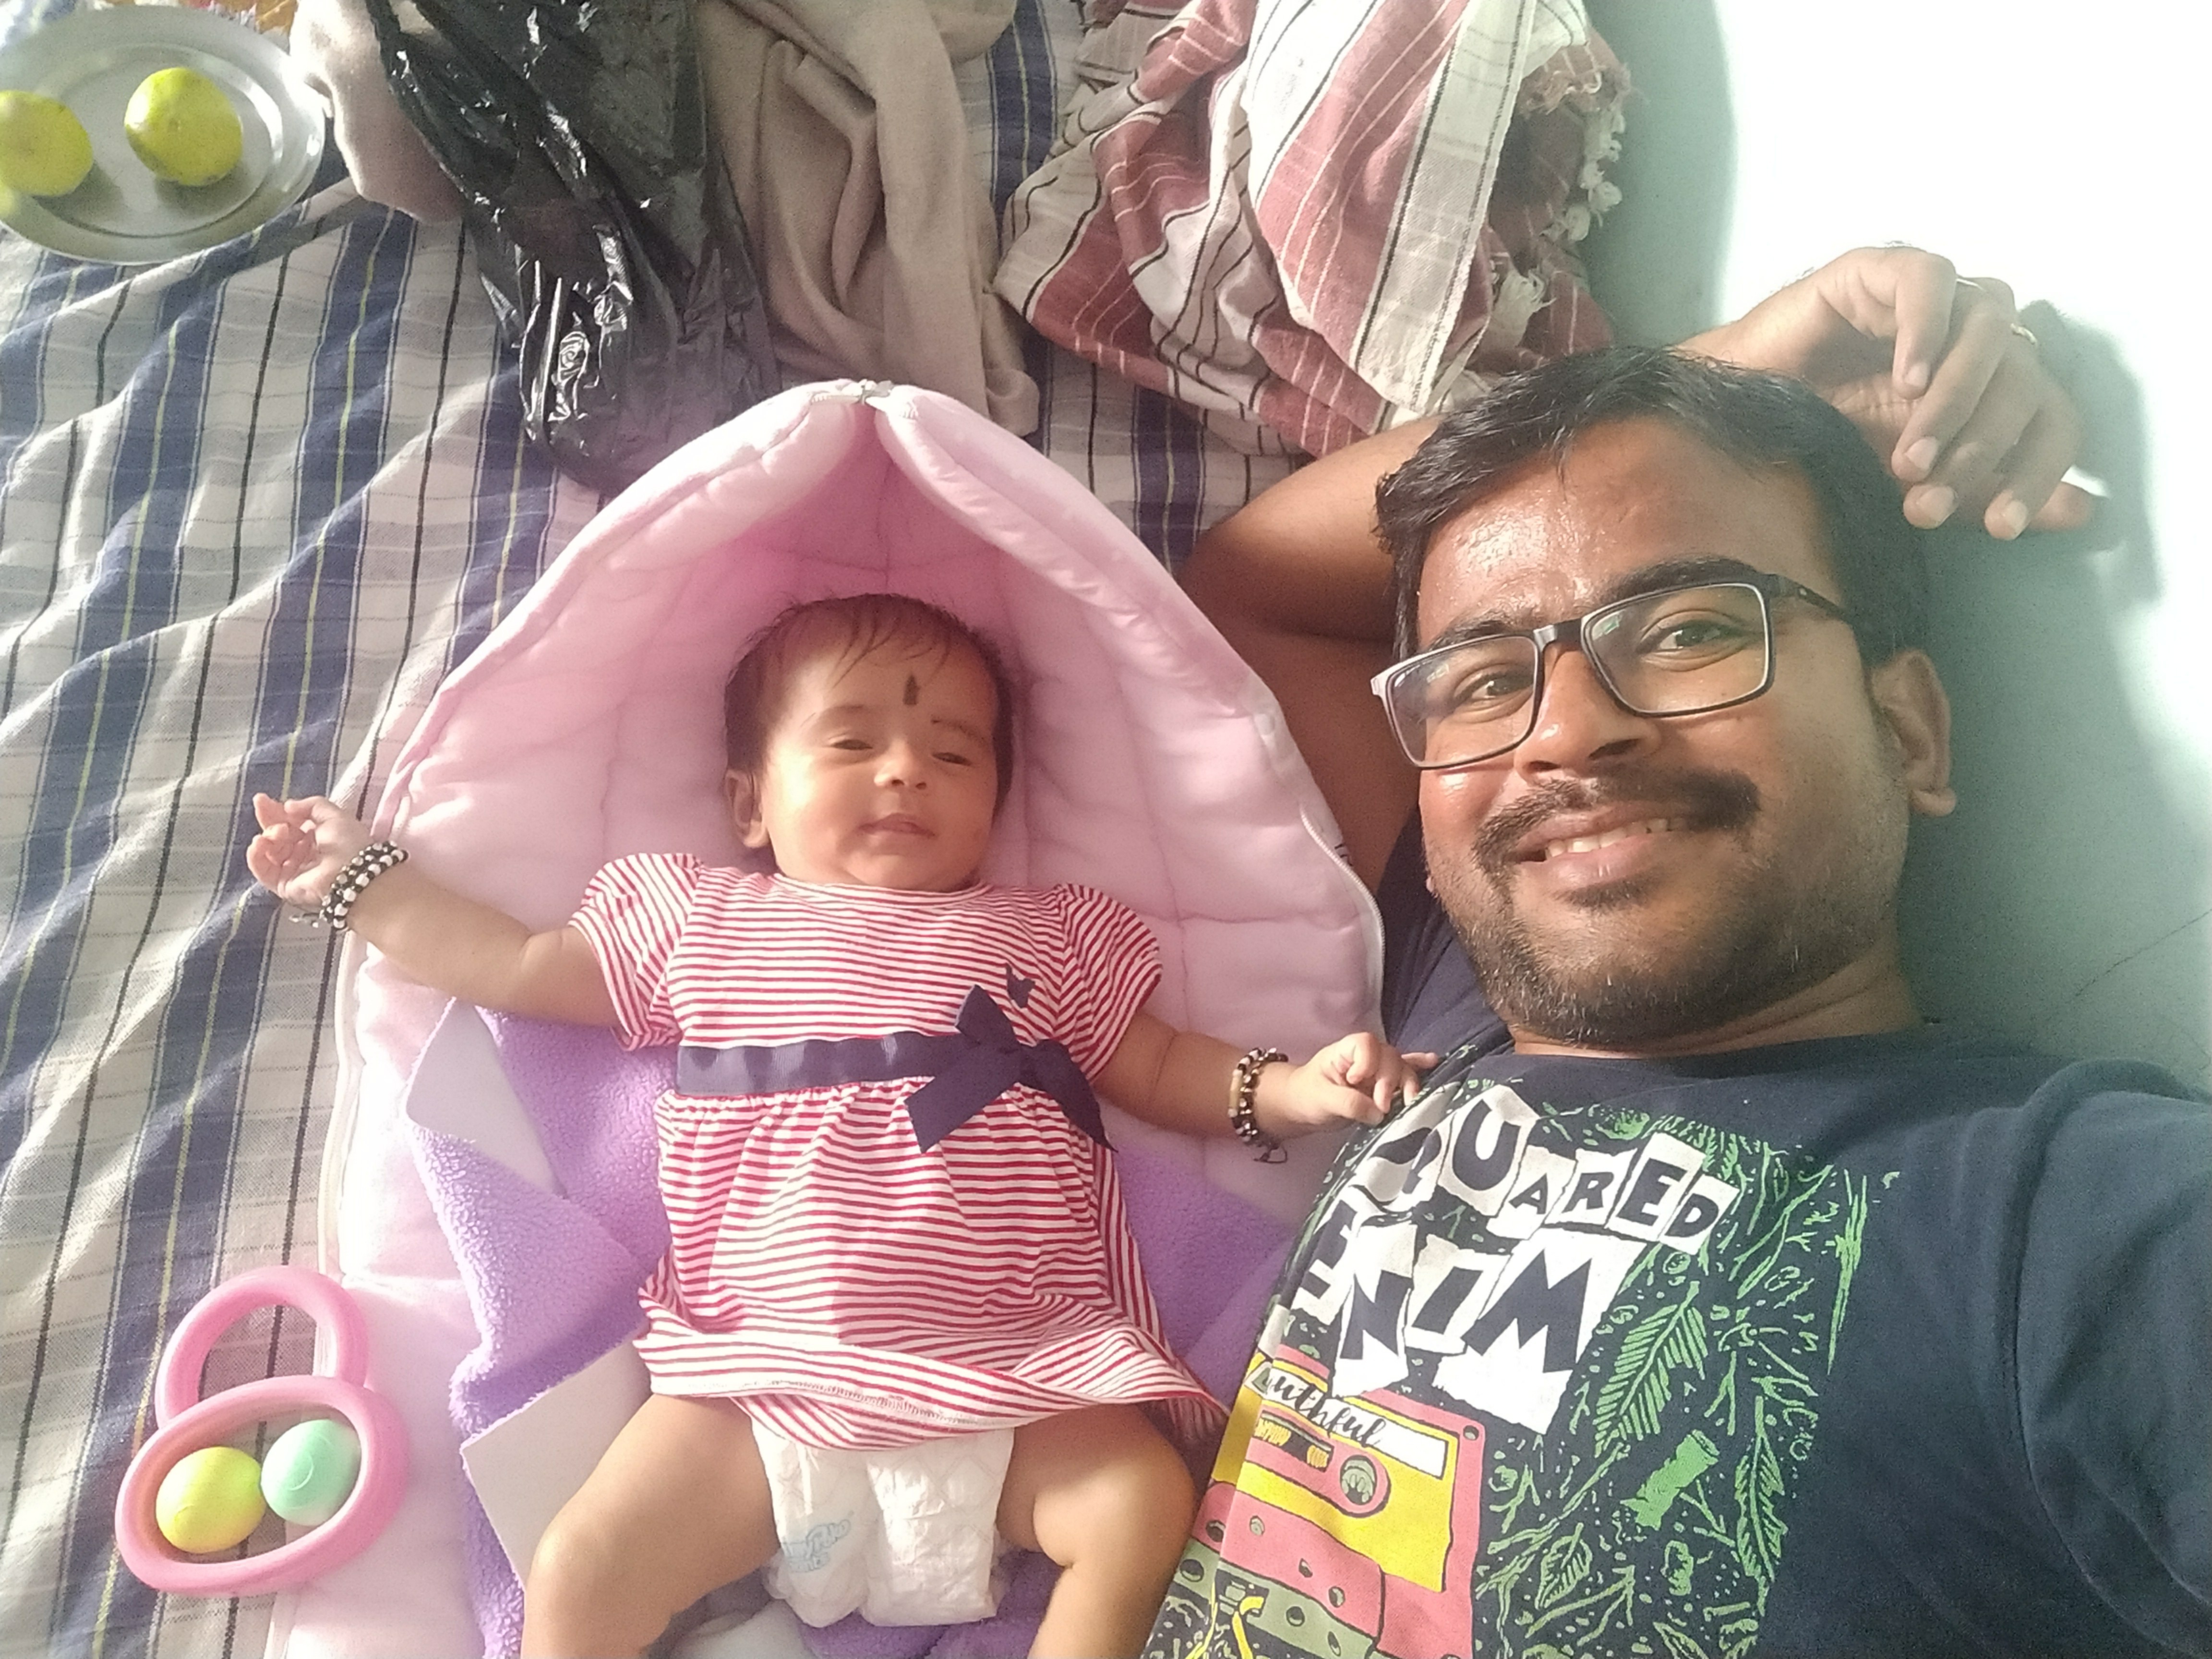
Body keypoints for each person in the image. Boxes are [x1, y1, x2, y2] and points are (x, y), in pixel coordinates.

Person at [1141, 341, 2209, 1656]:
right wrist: (1744, 364)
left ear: (1911, 731)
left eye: (1693, 629)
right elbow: (1248, 587)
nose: (1564, 733)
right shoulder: (1447, 1005)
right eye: (1486, 681)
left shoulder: (2087, 1226)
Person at [244, 594, 1428, 1659]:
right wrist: (364, 885)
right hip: (759, 1373)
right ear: (749, 803)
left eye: (953, 752)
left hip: (1021, 1370)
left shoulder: (1050, 936)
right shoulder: (700, 922)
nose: (906, 770)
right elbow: (514, 964)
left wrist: (1294, 1088)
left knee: (1143, 1506)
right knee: (581, 1568)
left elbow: (1160, 1064)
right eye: (854, 742)